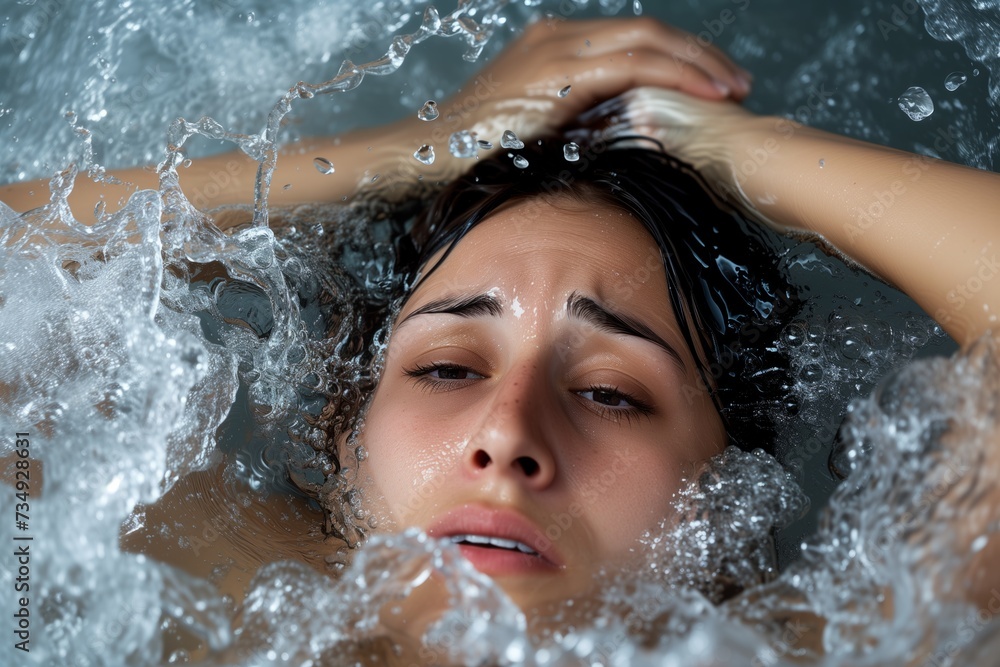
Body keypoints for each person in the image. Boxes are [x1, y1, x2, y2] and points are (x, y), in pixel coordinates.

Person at [3, 13, 1000, 658]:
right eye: (444, 366)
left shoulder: (850, 641)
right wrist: (415, 149)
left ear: (729, 507)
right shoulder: (191, 576)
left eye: (611, 391)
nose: (507, 434)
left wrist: (734, 148)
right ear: (342, 437)